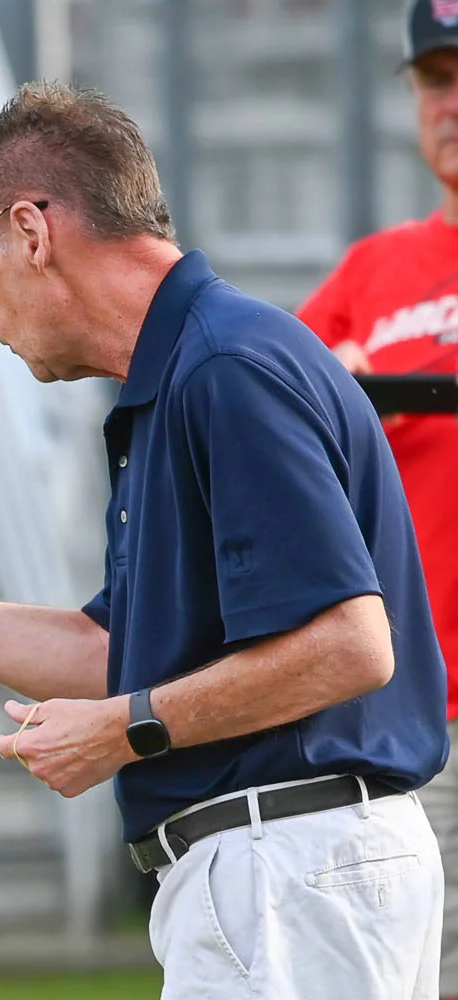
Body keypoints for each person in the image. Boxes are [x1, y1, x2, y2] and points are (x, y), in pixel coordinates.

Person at [0, 81, 448, 999]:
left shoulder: (223, 368)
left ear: (32, 231)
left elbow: (349, 647)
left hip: (286, 870)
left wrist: (129, 730)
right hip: (295, 871)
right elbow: (116, 653)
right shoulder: (189, 369)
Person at [297, 5, 458, 995]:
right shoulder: (372, 273)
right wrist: (331, 400)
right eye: (435, 79)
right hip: (420, 715)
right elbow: (250, 432)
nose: (453, 103)